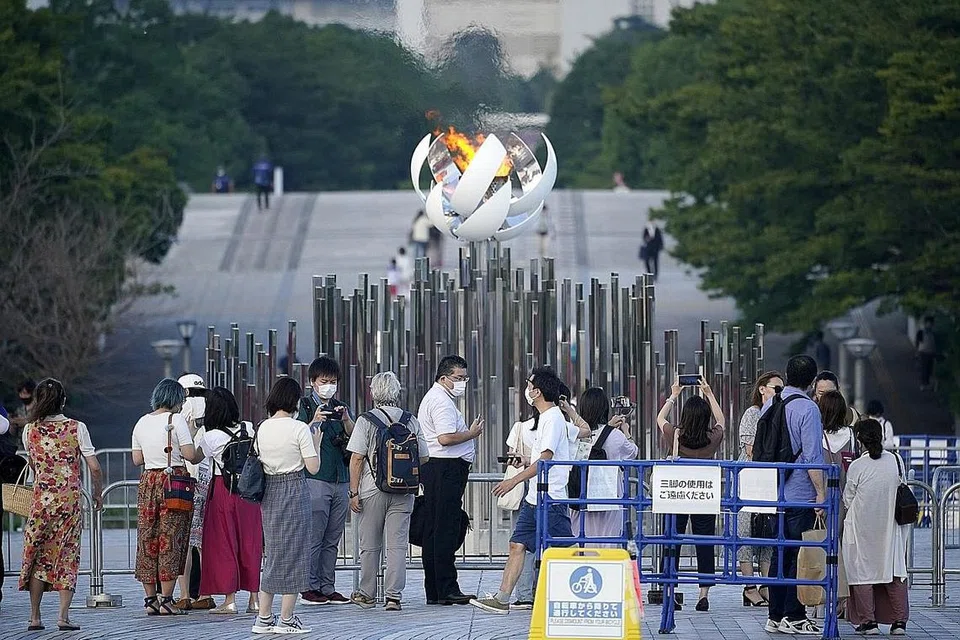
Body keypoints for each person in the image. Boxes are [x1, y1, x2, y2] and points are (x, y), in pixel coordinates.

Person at [471, 367, 574, 614]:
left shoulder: (553, 418)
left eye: (529, 385)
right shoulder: (546, 419)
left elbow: (546, 459)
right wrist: (525, 461)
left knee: (564, 552)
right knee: (517, 544)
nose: (527, 389)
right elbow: (541, 458)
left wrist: (513, 480)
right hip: (534, 498)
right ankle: (503, 597)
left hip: (551, 499)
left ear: (537, 391)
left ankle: (575, 598)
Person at [18, 379, 103, 631]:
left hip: (41, 502)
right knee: (67, 553)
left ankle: (35, 616)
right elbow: (95, 467)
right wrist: (98, 493)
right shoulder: (77, 428)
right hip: (69, 501)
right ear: (63, 401)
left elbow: (34, 463)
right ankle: (63, 617)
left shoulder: (29, 430)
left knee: (37, 554)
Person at [346, 372, 429, 611]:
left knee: (370, 545)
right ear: (397, 392)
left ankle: (367, 593)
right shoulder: (410, 420)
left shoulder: (366, 420)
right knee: (397, 545)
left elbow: (356, 458)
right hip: (404, 491)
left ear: (373, 393)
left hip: (372, 489)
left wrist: (353, 492)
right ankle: (393, 596)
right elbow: (423, 456)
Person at [762, 355, 825, 636]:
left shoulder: (770, 403)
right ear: (812, 382)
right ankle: (794, 615)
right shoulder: (808, 409)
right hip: (800, 493)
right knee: (796, 556)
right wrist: (821, 493)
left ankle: (774, 615)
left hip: (774, 490)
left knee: (779, 553)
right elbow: (812, 456)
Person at [252, 377, 320, 634]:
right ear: (295, 401)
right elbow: (313, 467)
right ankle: (287, 619)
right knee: (297, 553)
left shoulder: (262, 427)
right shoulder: (299, 428)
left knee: (274, 554)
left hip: (270, 491)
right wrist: (316, 442)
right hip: (294, 487)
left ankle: (263, 618)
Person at [132, 378, 203, 616]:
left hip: (148, 483)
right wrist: (200, 445)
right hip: (173, 484)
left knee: (147, 539)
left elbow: (137, 459)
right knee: (172, 539)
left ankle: (150, 599)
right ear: (175, 399)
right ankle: (167, 599)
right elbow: (190, 454)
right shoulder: (177, 420)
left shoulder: (141, 421)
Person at [418, 355, 484, 605]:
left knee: (435, 529)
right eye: (458, 378)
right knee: (444, 528)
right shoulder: (441, 402)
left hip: (439, 468)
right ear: (444, 378)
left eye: (465, 378)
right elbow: (445, 438)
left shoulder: (436, 398)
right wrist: (472, 433)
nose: (462, 383)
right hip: (444, 469)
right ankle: (446, 587)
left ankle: (436, 588)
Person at [656, 377, 725, 612]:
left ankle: (671, 589)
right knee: (704, 541)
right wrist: (710, 393)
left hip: (676, 494)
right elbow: (722, 421)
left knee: (673, 540)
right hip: (704, 494)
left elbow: (659, 419)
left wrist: (674, 394)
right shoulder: (712, 438)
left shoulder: (675, 435)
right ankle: (703, 593)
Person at [195, 387, 261, 615]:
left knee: (224, 543)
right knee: (250, 543)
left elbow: (194, 456)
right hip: (249, 493)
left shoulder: (211, 436)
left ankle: (229, 599)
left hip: (224, 491)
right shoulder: (249, 427)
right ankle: (254, 599)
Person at [296, 356, 355, 606]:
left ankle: (327, 586)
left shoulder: (341, 407)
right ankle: (309, 586)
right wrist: (315, 420)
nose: (329, 386)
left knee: (333, 537)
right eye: (324, 381)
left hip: (340, 478)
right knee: (314, 535)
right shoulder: (305, 406)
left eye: (333, 382)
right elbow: (298, 436)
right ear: (312, 382)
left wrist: (345, 420)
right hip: (315, 478)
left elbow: (354, 437)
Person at [843, 419, 910, 635]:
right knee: (893, 571)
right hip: (891, 527)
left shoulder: (857, 466)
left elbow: (847, 499)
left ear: (859, 440)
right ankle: (899, 621)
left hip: (862, 529)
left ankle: (868, 621)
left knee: (862, 574)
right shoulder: (896, 461)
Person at [569, 387, 639, 543]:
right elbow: (632, 453)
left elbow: (592, 439)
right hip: (609, 496)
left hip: (581, 494)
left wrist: (608, 426)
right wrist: (626, 432)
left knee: (581, 539)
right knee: (608, 541)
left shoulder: (574, 434)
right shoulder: (615, 435)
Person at [736, 371, 782, 606]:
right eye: (776, 388)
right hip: (751, 478)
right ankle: (749, 585)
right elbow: (750, 448)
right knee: (746, 530)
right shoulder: (752, 413)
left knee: (767, 532)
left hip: (768, 479)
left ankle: (766, 584)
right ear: (762, 389)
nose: (779, 393)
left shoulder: (778, 414)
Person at [175, 374, 215, 611]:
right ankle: (205, 592)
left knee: (186, 541)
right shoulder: (210, 408)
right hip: (209, 479)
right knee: (204, 542)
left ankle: (184, 595)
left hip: (186, 480)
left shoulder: (181, 411)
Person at [915, 316, 937, 391]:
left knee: (930, 369)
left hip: (931, 353)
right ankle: (923, 384)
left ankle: (927, 384)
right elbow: (917, 343)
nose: (930, 325)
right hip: (923, 352)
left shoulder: (933, 333)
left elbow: (934, 343)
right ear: (925, 323)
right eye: (928, 323)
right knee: (924, 369)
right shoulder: (921, 332)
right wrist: (917, 352)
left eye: (931, 323)